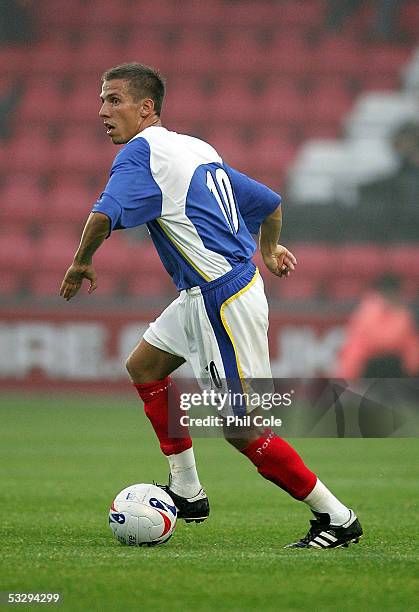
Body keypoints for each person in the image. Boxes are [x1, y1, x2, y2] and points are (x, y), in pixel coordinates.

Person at [60, 63, 362, 549]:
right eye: (101, 100)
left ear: (146, 108)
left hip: (222, 298)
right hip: (207, 290)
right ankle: (186, 488)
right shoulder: (195, 147)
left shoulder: (142, 153)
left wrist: (80, 263)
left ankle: (336, 517)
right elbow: (267, 201)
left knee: (243, 431)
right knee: (144, 366)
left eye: (113, 100)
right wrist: (269, 248)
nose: (102, 110)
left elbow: (102, 214)